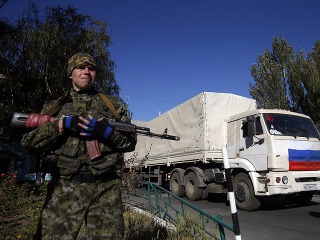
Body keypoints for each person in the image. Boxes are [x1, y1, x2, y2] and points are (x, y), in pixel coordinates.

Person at [21, 53, 137, 239]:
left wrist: (106, 132)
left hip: (106, 188)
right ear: (70, 73)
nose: (86, 72)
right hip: (65, 186)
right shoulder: (55, 106)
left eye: (91, 68)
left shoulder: (113, 106)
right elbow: (29, 143)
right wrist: (61, 125)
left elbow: (130, 143)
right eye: (80, 67)